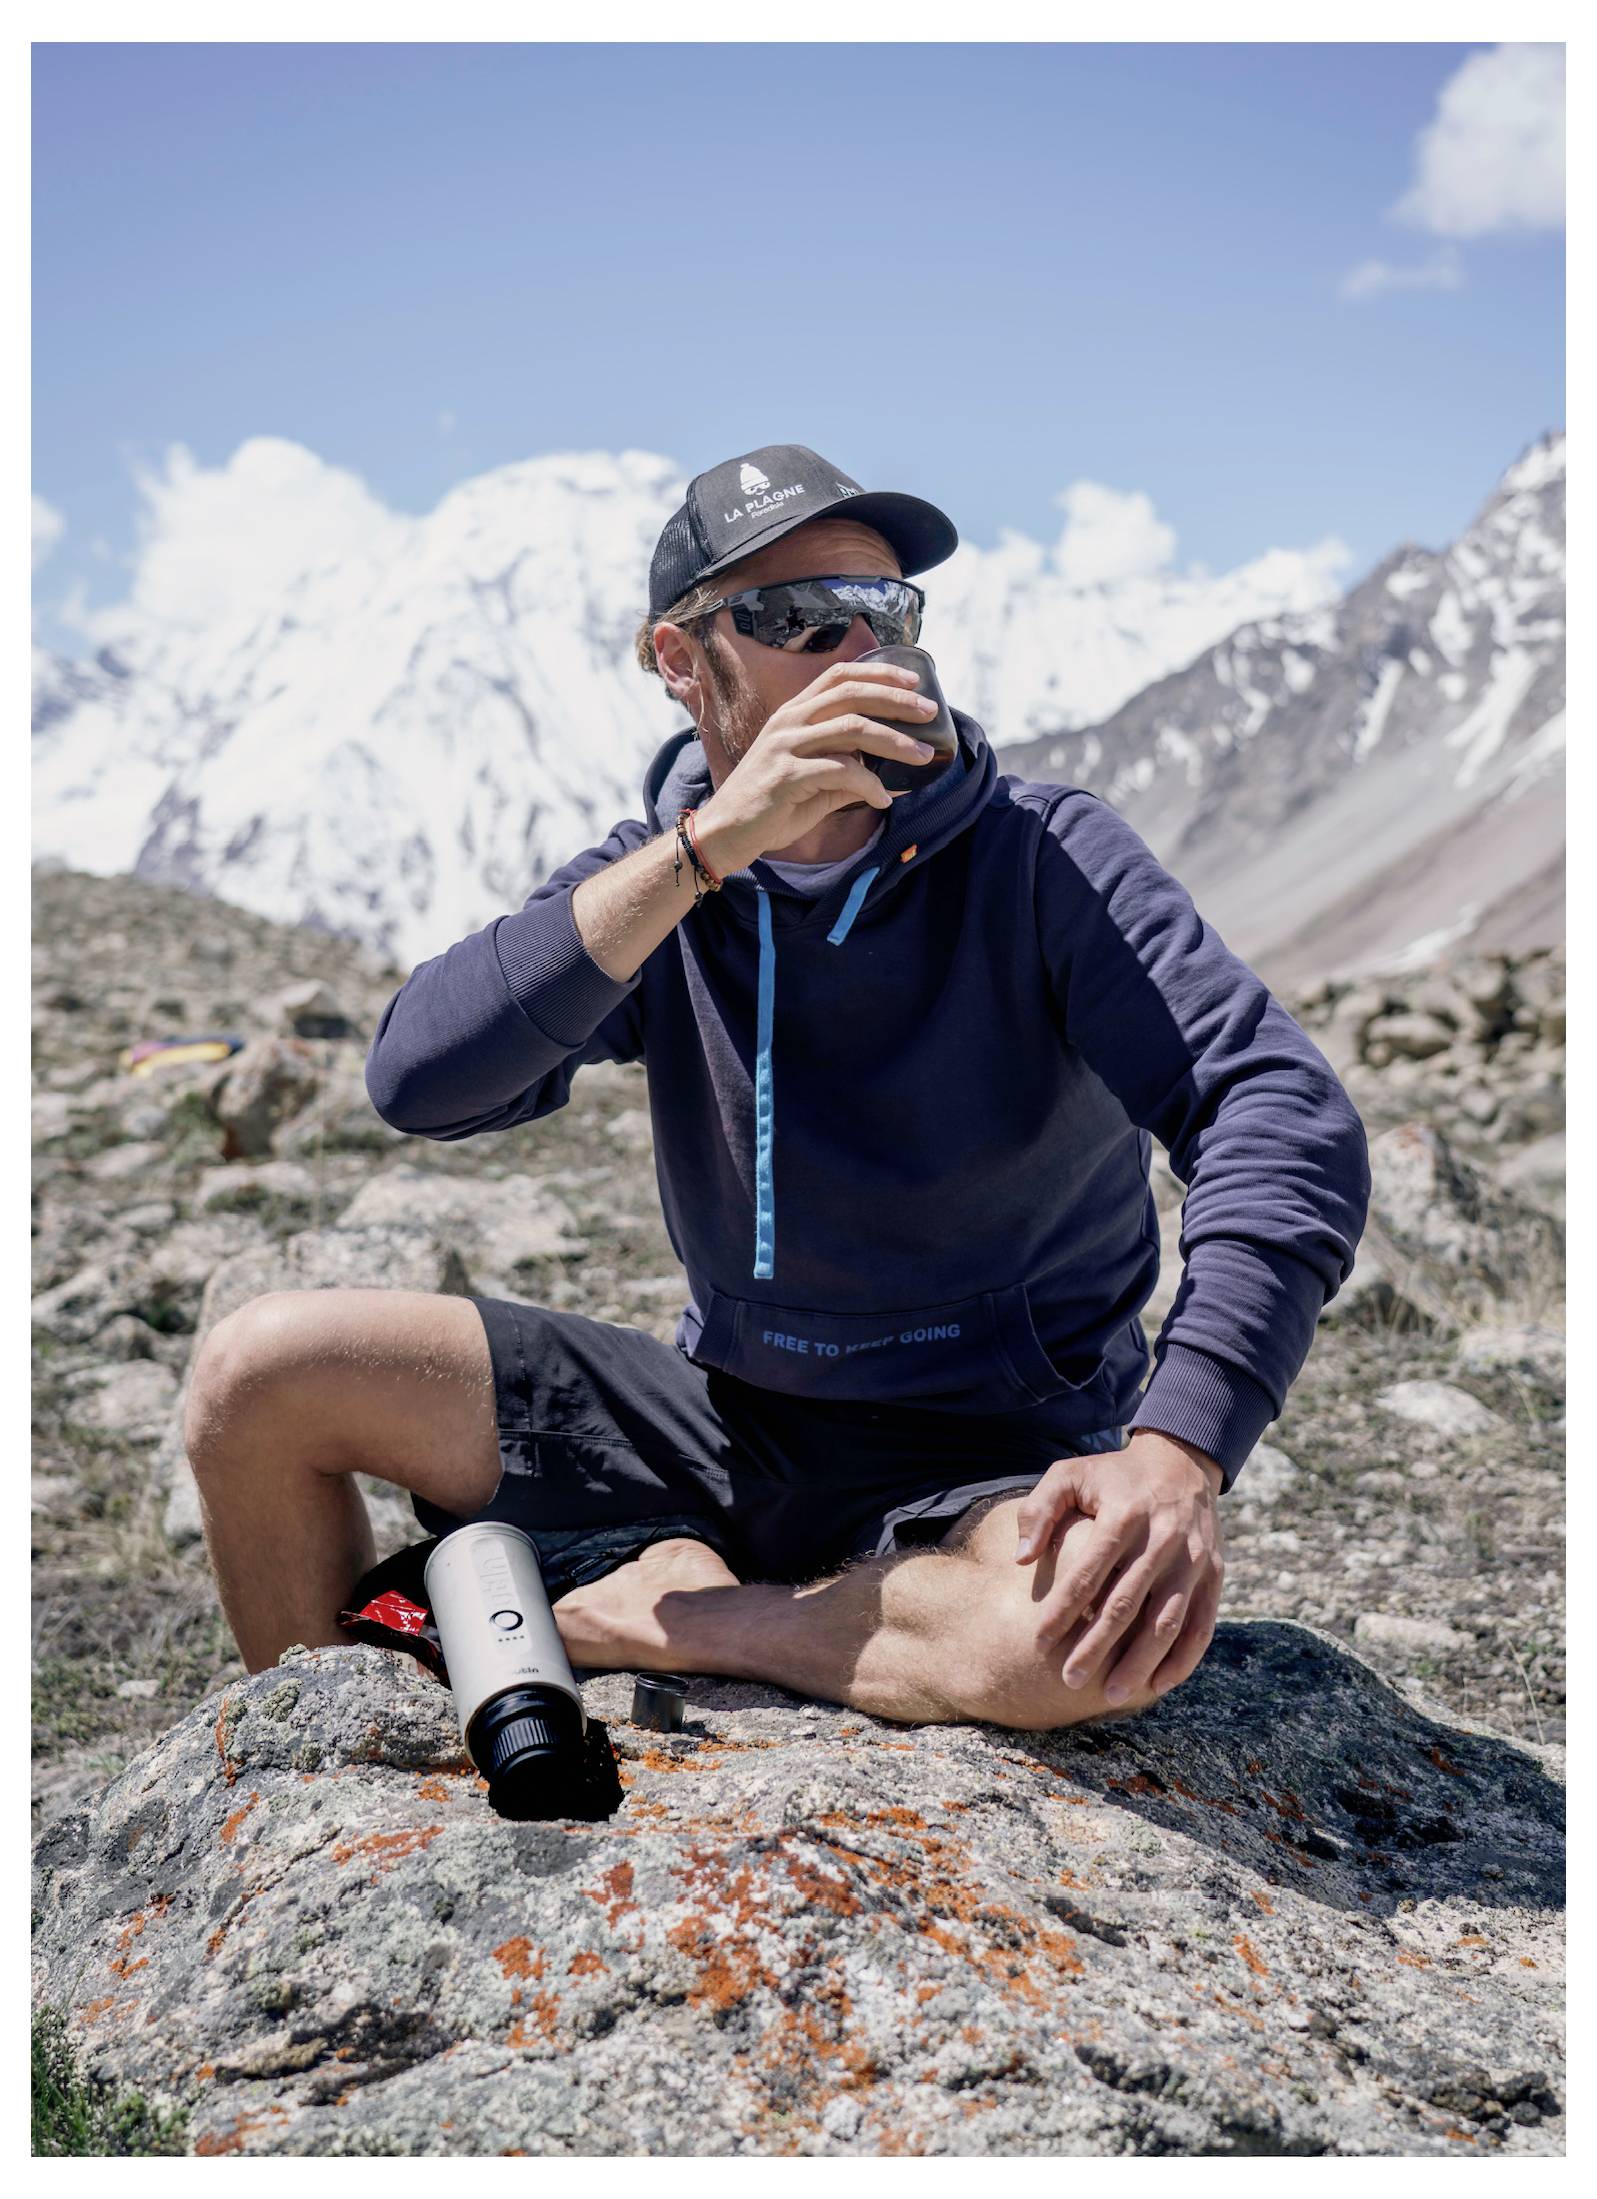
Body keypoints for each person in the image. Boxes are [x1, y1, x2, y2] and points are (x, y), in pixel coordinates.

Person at [185, 441, 1370, 1730]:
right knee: (257, 1379)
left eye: (885, 611)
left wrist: (1178, 1445)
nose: (859, 648)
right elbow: (420, 1077)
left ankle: (688, 1618)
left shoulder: (1044, 858)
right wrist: (710, 848)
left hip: (993, 1447)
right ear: (683, 663)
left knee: (1072, 1647)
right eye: (795, 617)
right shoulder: (663, 879)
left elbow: (1277, 1111)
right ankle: (332, 1775)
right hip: (722, 1419)